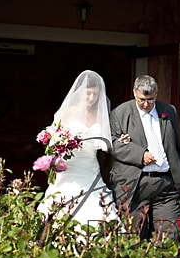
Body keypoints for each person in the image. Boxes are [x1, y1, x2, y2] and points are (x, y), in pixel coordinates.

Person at [37, 70, 119, 228]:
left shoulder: (101, 115)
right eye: (88, 94)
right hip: (68, 168)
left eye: (95, 94)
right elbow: (53, 137)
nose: (91, 98)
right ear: (81, 92)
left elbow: (108, 143)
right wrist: (59, 143)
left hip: (90, 169)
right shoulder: (67, 112)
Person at [109, 74, 180, 240]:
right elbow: (112, 144)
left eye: (150, 100)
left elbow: (177, 145)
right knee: (132, 240)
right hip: (135, 185)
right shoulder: (120, 113)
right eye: (141, 100)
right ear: (134, 93)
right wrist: (140, 154)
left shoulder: (168, 111)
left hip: (166, 185)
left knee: (168, 238)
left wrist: (179, 174)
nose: (146, 104)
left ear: (156, 94)